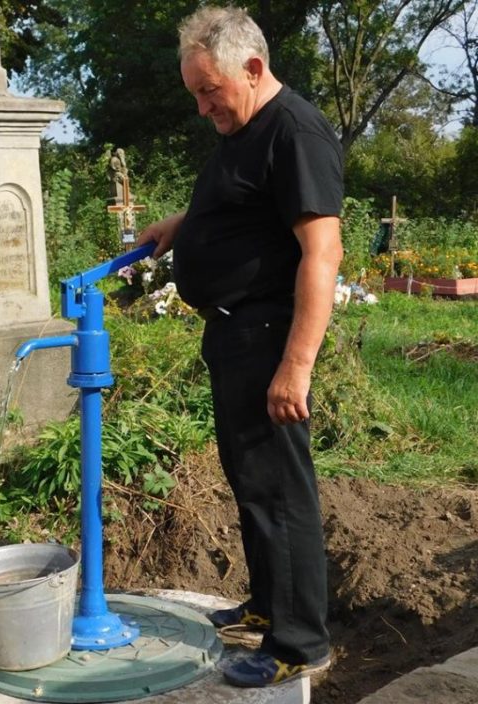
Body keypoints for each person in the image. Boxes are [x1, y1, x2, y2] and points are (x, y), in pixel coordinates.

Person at [137, 5, 344, 688]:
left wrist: (296, 366)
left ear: (253, 69)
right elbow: (239, 203)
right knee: (253, 484)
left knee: (281, 493)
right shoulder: (246, 127)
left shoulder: (296, 132)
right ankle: (268, 606)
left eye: (209, 91)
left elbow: (322, 253)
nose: (202, 107)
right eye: (195, 92)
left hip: (267, 336)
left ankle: (299, 643)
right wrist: (179, 224)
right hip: (235, 334)